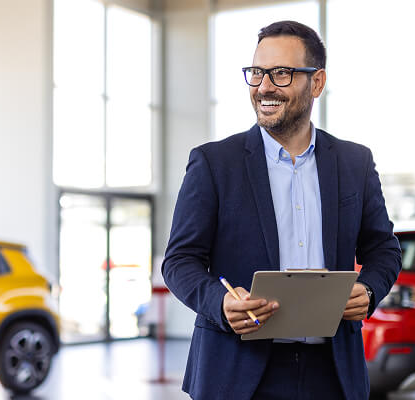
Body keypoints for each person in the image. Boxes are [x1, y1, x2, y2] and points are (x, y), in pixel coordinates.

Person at [162, 20, 401, 400]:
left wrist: (369, 290)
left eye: (282, 74)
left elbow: (383, 249)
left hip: (334, 374)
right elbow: (179, 260)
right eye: (257, 73)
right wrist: (220, 303)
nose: (264, 87)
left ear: (317, 83)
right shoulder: (214, 163)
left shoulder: (354, 162)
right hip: (237, 372)